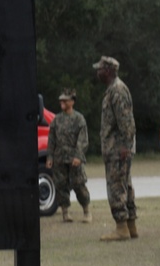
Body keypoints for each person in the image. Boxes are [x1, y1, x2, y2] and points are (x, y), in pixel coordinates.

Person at [94, 55, 139, 241]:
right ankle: (131, 227)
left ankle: (121, 228)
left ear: (109, 71)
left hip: (118, 150)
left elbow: (126, 123)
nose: (97, 72)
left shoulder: (118, 90)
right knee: (125, 185)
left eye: (100, 69)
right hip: (117, 149)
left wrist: (124, 146)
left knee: (116, 186)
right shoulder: (112, 90)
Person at [46, 89, 92, 223]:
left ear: (72, 102)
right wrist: (50, 157)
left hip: (74, 159)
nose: (62, 102)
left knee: (79, 184)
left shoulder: (79, 119)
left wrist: (78, 156)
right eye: (61, 100)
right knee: (61, 185)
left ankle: (87, 212)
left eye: (65, 100)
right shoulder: (57, 119)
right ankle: (65, 213)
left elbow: (83, 140)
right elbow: (51, 139)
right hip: (60, 158)